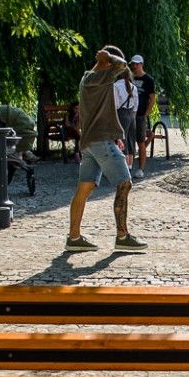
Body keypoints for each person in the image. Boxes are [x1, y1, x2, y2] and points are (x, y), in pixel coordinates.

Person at [66, 45, 146, 253]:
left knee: (84, 188)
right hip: (100, 141)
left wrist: (114, 135)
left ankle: (73, 238)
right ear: (108, 63)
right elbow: (122, 65)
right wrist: (107, 56)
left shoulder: (88, 79)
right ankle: (122, 236)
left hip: (92, 142)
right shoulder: (99, 77)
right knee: (125, 183)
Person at [129, 54, 158, 175]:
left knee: (140, 142)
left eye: (136, 64)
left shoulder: (148, 80)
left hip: (140, 113)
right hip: (129, 113)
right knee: (127, 140)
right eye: (133, 64)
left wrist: (146, 113)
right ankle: (128, 166)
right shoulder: (129, 77)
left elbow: (152, 98)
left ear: (141, 64)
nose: (134, 66)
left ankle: (140, 169)